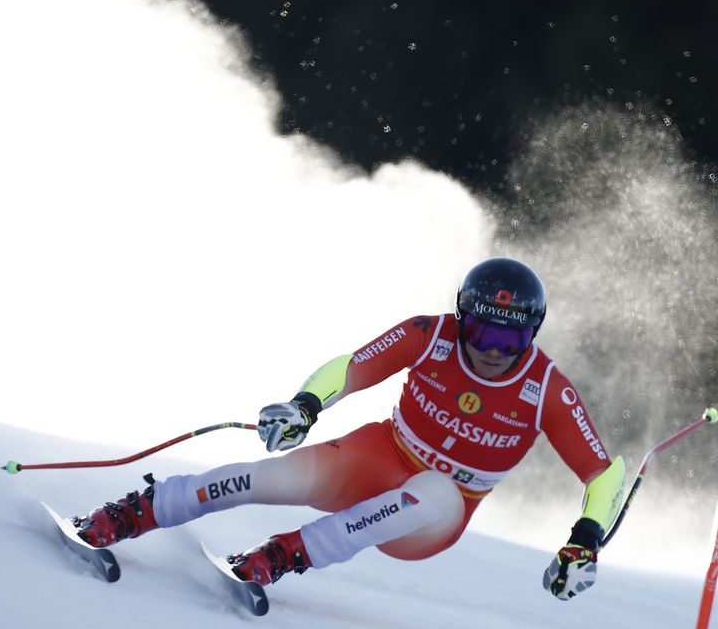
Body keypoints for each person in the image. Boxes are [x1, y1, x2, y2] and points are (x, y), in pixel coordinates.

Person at [72, 257, 625, 601]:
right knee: (274, 478)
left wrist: (585, 541)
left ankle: (283, 555)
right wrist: (305, 406)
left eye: (510, 341)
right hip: (379, 455)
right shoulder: (430, 334)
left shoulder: (547, 388)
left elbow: (602, 474)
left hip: (436, 512)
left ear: (533, 335)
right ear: (462, 315)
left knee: (432, 490)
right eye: (479, 331)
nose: (490, 352)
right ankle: (133, 513)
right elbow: (353, 366)